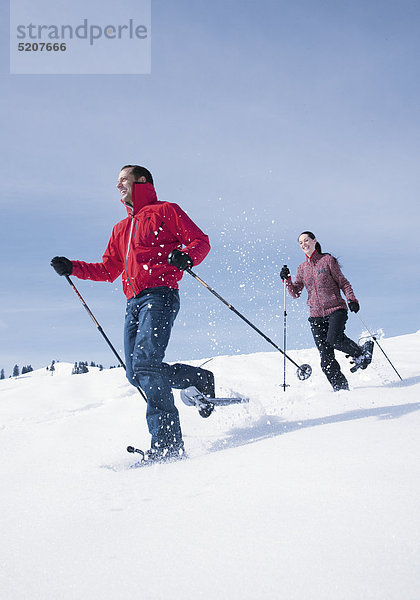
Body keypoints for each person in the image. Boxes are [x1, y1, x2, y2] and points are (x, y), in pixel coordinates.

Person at [51, 165, 214, 461]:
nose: (118, 186)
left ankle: (167, 445)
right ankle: (198, 379)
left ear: (141, 182)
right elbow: (108, 270)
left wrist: (186, 256)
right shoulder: (120, 228)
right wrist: (72, 267)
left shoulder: (165, 210)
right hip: (133, 302)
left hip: (160, 294)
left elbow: (200, 241)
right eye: (117, 182)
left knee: (147, 366)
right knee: (135, 373)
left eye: (123, 180)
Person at [280, 231, 373, 392]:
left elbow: (343, 283)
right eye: (300, 243)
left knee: (334, 339)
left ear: (314, 241)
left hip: (335, 309)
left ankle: (361, 352)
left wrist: (352, 299)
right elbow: (295, 293)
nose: (304, 244)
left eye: (306, 240)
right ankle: (342, 390)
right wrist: (287, 280)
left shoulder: (327, 260)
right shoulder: (302, 268)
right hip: (315, 316)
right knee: (326, 360)